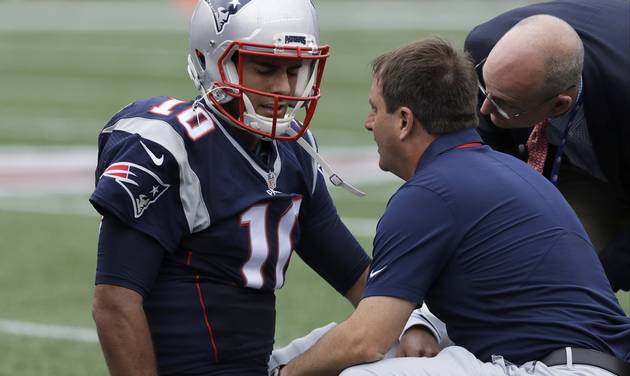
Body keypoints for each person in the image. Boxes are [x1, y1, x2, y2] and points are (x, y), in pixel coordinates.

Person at [89, 1, 435, 374]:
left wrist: (420, 324)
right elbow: (114, 302)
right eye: (266, 68)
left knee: (416, 348)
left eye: (294, 69)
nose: (283, 87)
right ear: (213, 61)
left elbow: (354, 275)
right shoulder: (170, 146)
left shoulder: (293, 152)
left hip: (257, 367)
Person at [278, 38, 630, 376]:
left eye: (375, 109)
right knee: (323, 349)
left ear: (404, 121)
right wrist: (424, 324)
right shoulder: (501, 170)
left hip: (562, 369)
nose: (369, 123)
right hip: (576, 362)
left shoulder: (430, 193)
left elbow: (366, 339)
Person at [464, 0, 630, 292]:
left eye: (504, 105)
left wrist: (597, 287)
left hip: (615, 129)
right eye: (486, 92)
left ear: (559, 104)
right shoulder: (487, 49)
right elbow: (487, 163)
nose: (486, 109)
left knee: (586, 284)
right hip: (582, 153)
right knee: (547, 274)